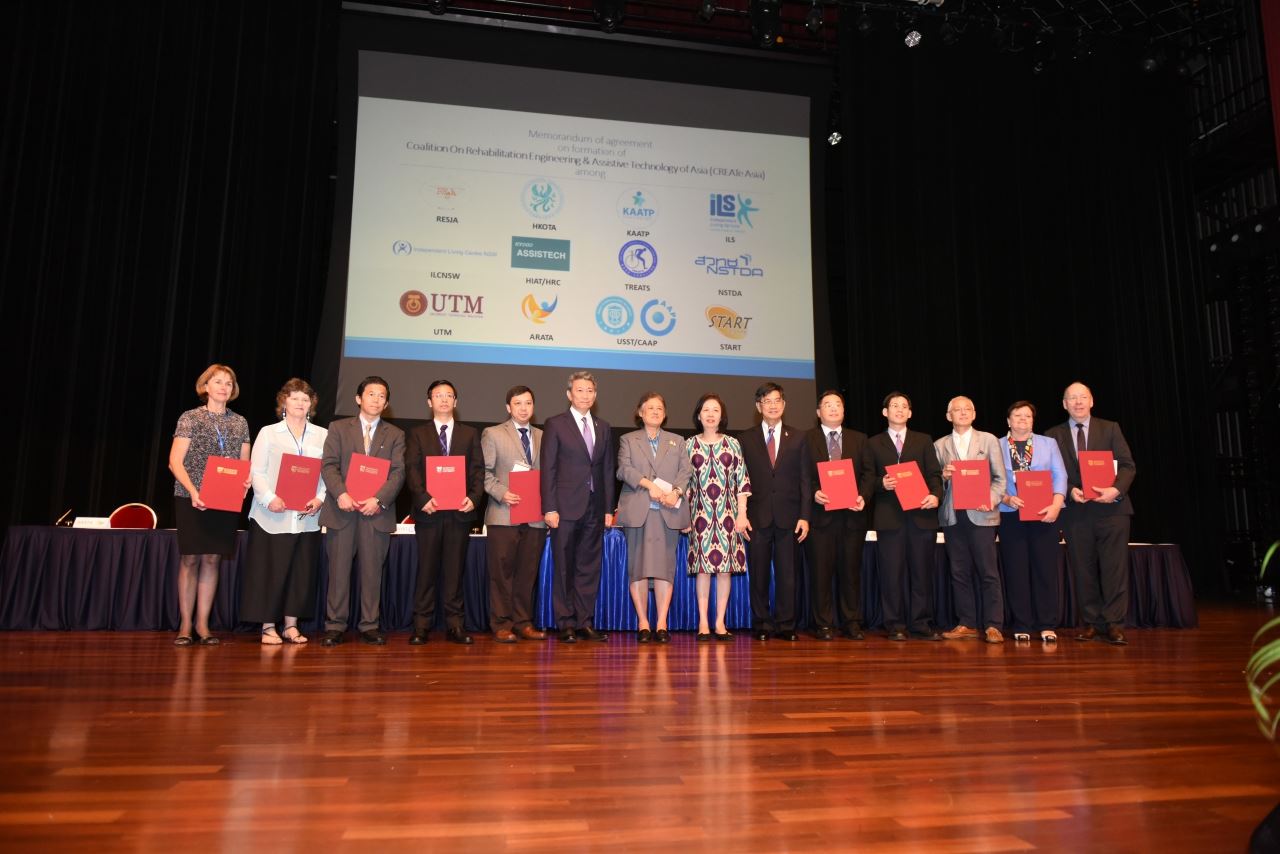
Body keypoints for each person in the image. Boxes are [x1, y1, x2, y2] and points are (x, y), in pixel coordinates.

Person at [1046, 382, 1137, 645]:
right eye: (1072, 398)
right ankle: (1092, 623)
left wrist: (1115, 490)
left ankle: (1115, 624)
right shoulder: (1053, 435)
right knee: (1082, 569)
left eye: (1082, 397)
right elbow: (1053, 472)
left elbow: (1128, 466)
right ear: (1064, 404)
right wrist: (1071, 490)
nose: (1078, 402)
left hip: (1112, 509)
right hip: (1076, 512)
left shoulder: (1110, 428)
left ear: (1091, 401)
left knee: (1114, 568)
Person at [318, 376, 405, 647]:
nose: (376, 400)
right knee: (339, 571)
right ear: (358, 398)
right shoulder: (339, 428)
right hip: (342, 510)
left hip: (375, 513)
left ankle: (369, 625)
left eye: (382, 396)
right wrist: (341, 493)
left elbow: (398, 472)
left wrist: (378, 500)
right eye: (371, 394)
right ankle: (335, 625)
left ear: (387, 403)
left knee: (372, 573)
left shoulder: (396, 434)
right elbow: (329, 465)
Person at [167, 364, 251, 646]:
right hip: (191, 495)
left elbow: (244, 463)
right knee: (190, 559)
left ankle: (203, 625)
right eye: (218, 382)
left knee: (213, 559)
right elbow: (174, 462)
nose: (224, 387)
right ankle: (185, 624)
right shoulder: (190, 418)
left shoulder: (240, 422)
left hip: (224, 499)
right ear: (205, 386)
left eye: (229, 382)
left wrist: (245, 483)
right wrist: (193, 491)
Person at [240, 379, 327, 645]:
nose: (300, 403)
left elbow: (327, 474)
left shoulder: (322, 435)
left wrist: (320, 499)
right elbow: (257, 470)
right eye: (295, 398)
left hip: (306, 518)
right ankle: (268, 627)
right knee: (271, 571)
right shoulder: (269, 432)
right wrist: (269, 498)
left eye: (305, 399)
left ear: (311, 404)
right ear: (283, 402)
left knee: (300, 572)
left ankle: (291, 625)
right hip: (272, 516)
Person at [405, 379, 485, 645]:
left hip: (459, 513)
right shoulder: (417, 433)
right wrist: (422, 498)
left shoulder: (470, 434)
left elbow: (477, 471)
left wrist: (474, 498)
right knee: (425, 571)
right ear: (429, 402)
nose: (443, 399)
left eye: (448, 395)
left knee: (454, 572)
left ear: (456, 402)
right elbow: (412, 470)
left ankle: (455, 625)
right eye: (438, 395)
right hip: (429, 512)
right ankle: (421, 626)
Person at [861, 391, 944, 641]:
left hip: (921, 516)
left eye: (904, 406)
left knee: (922, 573)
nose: (899, 410)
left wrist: (936, 496)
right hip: (889, 518)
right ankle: (894, 624)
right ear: (885, 412)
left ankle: (921, 623)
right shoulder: (872, 443)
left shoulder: (923, 440)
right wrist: (880, 483)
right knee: (891, 574)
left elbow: (935, 475)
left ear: (910, 413)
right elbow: (867, 478)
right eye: (894, 406)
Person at [541, 371, 616, 643]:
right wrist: (549, 507)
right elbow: (548, 469)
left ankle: (585, 622)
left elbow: (607, 469)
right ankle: (566, 623)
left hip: (595, 509)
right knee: (564, 568)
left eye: (590, 391)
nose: (585, 395)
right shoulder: (555, 424)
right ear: (569, 394)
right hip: (564, 508)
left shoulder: (603, 426)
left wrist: (609, 508)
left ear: (595, 395)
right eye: (580, 390)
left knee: (588, 567)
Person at [616, 392, 693, 643]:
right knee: (637, 569)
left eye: (660, 408)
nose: (655, 412)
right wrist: (649, 485)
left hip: (667, 512)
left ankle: (661, 623)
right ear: (640, 412)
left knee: (664, 570)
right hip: (639, 511)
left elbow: (686, 470)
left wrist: (677, 492)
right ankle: (643, 622)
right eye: (650, 408)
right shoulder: (628, 440)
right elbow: (623, 469)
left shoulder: (677, 441)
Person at [739, 382, 812, 642]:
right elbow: (740, 480)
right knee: (758, 575)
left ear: (784, 405)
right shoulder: (745, 438)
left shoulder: (800, 437)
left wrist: (805, 516)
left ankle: (786, 624)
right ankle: (762, 623)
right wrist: (742, 513)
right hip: (757, 517)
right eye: (767, 401)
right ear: (758, 406)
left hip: (789, 517)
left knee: (788, 575)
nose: (772, 405)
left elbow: (806, 480)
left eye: (777, 400)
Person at [934, 396, 1008, 644]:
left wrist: (991, 498)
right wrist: (943, 476)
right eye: (957, 410)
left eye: (968, 409)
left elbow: (1000, 479)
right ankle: (966, 622)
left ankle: (993, 625)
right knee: (959, 572)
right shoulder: (939, 445)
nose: (963, 413)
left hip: (982, 514)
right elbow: (935, 485)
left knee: (988, 571)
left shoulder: (988, 440)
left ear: (974, 414)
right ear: (948, 416)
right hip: (952, 517)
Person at [481, 386, 548, 643]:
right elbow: (484, 473)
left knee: (527, 572)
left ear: (533, 407)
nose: (523, 408)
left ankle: (523, 622)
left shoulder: (545, 436)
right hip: (504, 513)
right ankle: (501, 623)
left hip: (535, 516)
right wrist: (501, 492)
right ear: (508, 407)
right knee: (502, 573)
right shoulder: (493, 434)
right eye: (517, 403)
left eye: (528, 403)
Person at [998, 401, 1068, 643]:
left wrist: (1057, 505)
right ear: (1008, 420)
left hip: (1044, 512)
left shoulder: (1048, 443)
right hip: (1010, 514)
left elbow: (1060, 475)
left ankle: (1047, 624)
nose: (1022, 420)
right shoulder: (996, 445)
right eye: (1017, 416)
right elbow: (992, 480)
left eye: (1027, 416)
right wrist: (1006, 497)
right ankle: (1022, 623)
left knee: (1045, 570)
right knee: (1016, 570)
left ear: (1033, 420)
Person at [685, 394, 751, 641]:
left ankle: (720, 622)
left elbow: (742, 481)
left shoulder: (732, 444)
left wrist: (742, 514)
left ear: (721, 416)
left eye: (715, 410)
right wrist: (684, 516)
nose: (711, 414)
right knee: (702, 571)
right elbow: (685, 485)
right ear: (699, 415)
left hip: (728, 515)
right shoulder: (689, 444)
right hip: (699, 515)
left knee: (725, 571)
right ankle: (703, 622)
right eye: (706, 409)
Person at [804, 390, 869, 641]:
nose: (833, 409)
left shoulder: (860, 439)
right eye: (827, 405)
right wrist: (814, 492)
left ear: (844, 410)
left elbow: (868, 473)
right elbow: (802, 475)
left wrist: (863, 495)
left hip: (852, 517)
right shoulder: (807, 439)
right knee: (820, 573)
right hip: (821, 518)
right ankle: (823, 623)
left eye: (838, 405)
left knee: (851, 572)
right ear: (818, 412)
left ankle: (851, 622)